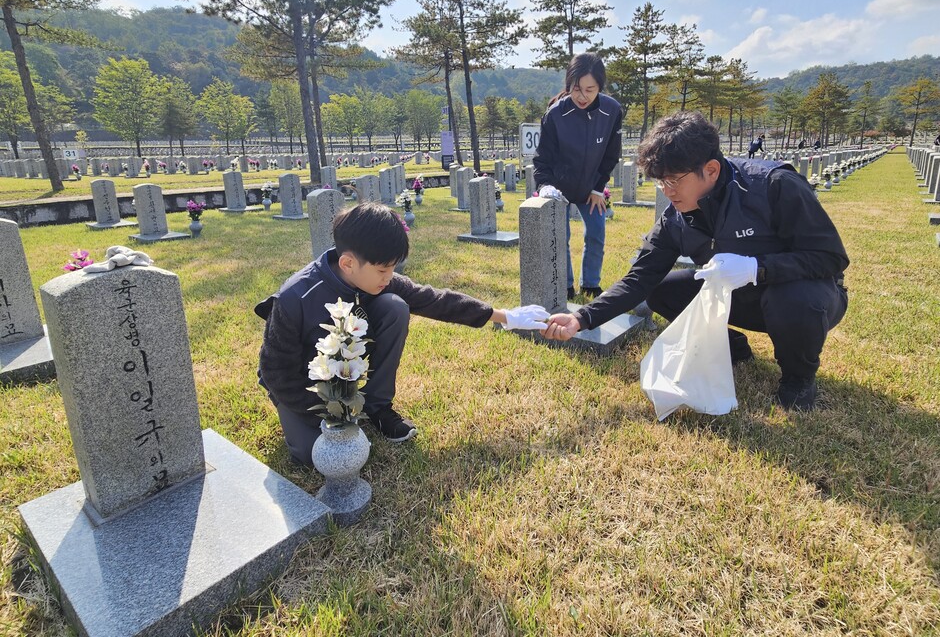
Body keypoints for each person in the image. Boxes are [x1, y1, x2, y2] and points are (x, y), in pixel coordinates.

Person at [541, 111, 849, 411]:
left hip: (805, 295)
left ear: (711, 170)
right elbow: (640, 277)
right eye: (661, 182)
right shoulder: (676, 217)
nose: (667, 191)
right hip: (736, 296)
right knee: (660, 290)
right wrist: (583, 318)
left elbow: (829, 257)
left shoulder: (773, 185)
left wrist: (758, 268)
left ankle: (798, 378)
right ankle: (731, 347)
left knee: (793, 299)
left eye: (674, 180)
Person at [256, 203, 549, 464]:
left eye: (393, 269)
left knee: (395, 307)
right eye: (384, 270)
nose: (389, 277)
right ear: (348, 263)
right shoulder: (296, 297)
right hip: (300, 386)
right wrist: (328, 414)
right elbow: (275, 371)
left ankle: (378, 408)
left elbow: (434, 300)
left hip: (342, 371)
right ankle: (328, 418)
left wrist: (503, 316)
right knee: (316, 456)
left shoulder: (376, 280)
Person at [534, 52, 623, 300]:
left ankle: (591, 284)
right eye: (576, 89)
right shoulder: (554, 114)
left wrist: (597, 189)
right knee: (559, 238)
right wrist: (546, 187)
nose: (582, 96)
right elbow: (542, 160)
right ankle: (564, 285)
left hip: (590, 187)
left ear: (600, 88)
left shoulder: (612, 111)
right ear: (568, 84)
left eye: (590, 90)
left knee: (596, 234)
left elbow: (610, 155)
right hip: (558, 188)